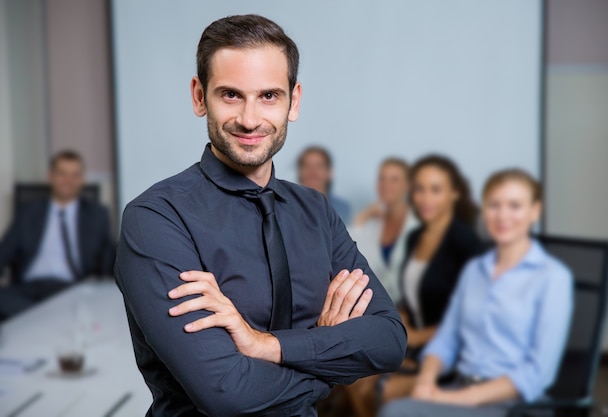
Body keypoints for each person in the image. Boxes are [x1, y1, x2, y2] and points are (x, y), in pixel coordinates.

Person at [115, 14, 405, 417]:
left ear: (294, 101)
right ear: (199, 97)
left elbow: (389, 340)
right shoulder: (156, 219)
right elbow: (227, 392)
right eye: (231, 95)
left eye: (269, 96)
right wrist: (329, 364)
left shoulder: (316, 211)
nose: (250, 119)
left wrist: (266, 345)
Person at [379, 169, 574, 417]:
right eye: (494, 205)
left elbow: (538, 372)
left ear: (535, 211)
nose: (503, 215)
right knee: (393, 410)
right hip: (460, 386)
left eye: (515, 206)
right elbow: (447, 339)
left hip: (515, 404)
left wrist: (460, 399)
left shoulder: (553, 277)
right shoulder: (474, 270)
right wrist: (426, 381)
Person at [346, 155, 483, 417]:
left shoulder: (466, 245)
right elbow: (411, 298)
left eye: (435, 190)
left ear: (454, 193)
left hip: (450, 353)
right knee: (351, 381)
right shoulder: (415, 237)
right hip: (412, 343)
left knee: (377, 392)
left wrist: (414, 337)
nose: (425, 198)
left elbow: (471, 319)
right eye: (419, 189)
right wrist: (398, 323)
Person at [0, 151, 115, 321]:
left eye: (74, 175)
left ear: (82, 180)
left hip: (71, 290)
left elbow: (108, 259)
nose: (68, 180)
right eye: (62, 173)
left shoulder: (97, 215)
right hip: (27, 290)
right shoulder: (29, 212)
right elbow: (4, 252)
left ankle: (40, 318)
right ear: (51, 176)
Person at [349, 158, 418, 304]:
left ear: (407, 185)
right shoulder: (373, 225)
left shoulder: (417, 224)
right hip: (373, 307)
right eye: (382, 178)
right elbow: (349, 254)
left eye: (394, 180)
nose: (386, 185)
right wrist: (362, 217)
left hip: (409, 309)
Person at [297, 146, 352, 223]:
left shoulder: (343, 209)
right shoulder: (286, 207)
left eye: (319, 166)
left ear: (330, 172)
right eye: (307, 166)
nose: (312, 172)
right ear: (299, 172)